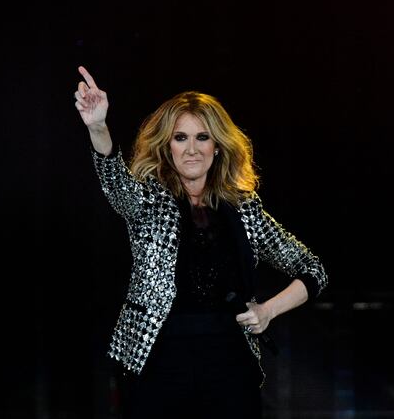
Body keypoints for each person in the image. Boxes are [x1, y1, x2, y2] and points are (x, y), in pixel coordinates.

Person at [73, 66, 328, 419]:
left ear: (218, 146)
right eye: (180, 138)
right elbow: (116, 182)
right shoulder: (148, 202)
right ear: (167, 146)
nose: (191, 149)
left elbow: (312, 270)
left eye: (202, 137)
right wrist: (98, 126)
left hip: (228, 360)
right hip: (158, 358)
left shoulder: (244, 209)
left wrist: (267, 311)